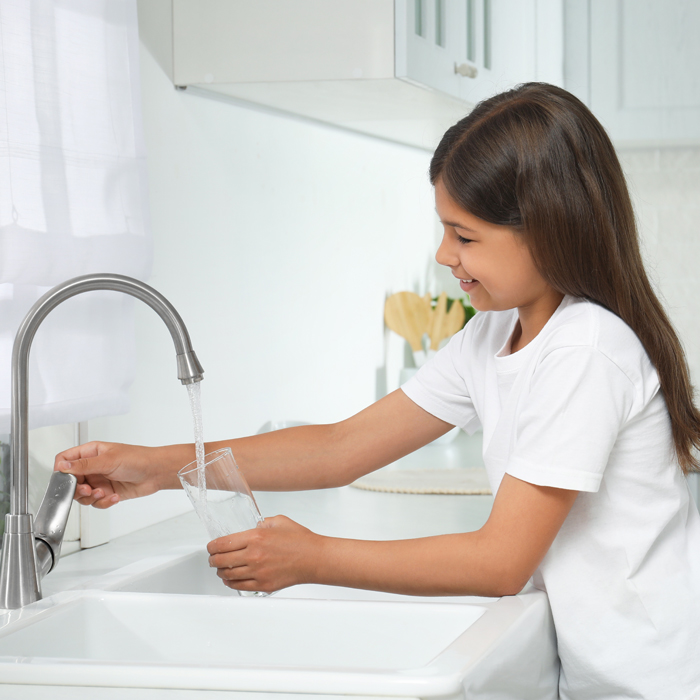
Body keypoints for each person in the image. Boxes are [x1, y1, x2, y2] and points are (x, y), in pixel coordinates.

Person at [55, 83, 700, 700]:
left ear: (549, 229)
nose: (445, 254)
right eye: (444, 228)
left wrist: (314, 557)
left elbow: (500, 561)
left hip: (658, 682)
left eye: (465, 235)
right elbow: (342, 447)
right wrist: (156, 468)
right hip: (602, 673)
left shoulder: (584, 349)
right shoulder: (495, 335)